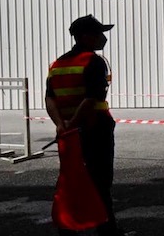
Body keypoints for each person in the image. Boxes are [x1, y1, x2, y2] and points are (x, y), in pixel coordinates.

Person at [45, 14, 124, 236]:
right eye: (99, 33)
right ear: (86, 37)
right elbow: (91, 99)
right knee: (100, 181)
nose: (103, 38)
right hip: (95, 128)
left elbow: (49, 98)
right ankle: (107, 230)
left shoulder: (57, 64)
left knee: (70, 179)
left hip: (69, 134)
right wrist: (72, 122)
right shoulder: (93, 62)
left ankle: (68, 228)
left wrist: (61, 125)